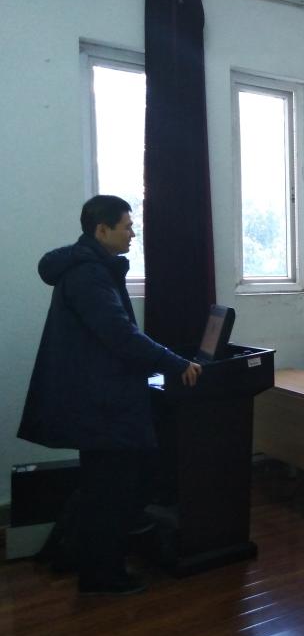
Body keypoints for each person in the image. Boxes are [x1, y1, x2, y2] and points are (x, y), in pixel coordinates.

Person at [18, 195, 202, 596]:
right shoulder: (89, 274)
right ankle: (102, 575)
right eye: (126, 226)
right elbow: (120, 335)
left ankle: (80, 557)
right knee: (111, 490)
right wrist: (174, 363)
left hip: (97, 398)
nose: (133, 233)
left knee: (102, 486)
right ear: (101, 230)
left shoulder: (91, 267)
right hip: (100, 403)